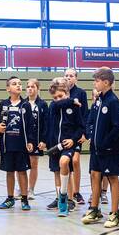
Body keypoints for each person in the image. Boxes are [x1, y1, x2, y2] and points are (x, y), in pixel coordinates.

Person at [82, 67, 119, 228]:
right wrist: (90, 134)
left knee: (112, 178)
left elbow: (116, 127)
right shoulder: (98, 100)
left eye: (97, 81)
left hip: (109, 149)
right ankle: (94, 209)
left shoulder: (113, 102)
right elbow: (90, 120)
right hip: (96, 148)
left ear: (106, 82)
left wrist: (106, 143)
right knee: (94, 175)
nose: (95, 83)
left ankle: (114, 214)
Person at [46, 77, 84, 217]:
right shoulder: (53, 106)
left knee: (64, 162)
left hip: (67, 145)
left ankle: (65, 196)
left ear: (67, 93)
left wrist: (73, 140)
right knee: (57, 171)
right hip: (54, 145)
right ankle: (61, 200)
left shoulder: (74, 107)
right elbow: (57, 106)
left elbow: (81, 127)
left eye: (61, 96)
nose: (57, 99)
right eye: (55, 97)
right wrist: (71, 100)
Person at [0, 76, 33, 211]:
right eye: (14, 84)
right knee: (9, 172)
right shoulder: (3, 104)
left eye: (19, 84)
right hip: (7, 144)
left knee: (22, 172)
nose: (18, 86)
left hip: (21, 145)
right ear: (8, 88)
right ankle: (10, 198)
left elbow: (30, 125)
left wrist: (31, 141)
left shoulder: (26, 105)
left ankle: (24, 198)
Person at [64, 68, 87, 204]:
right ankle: (67, 193)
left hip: (77, 133)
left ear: (76, 78)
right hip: (65, 133)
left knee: (75, 161)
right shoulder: (61, 92)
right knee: (65, 163)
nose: (68, 78)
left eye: (71, 76)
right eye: (66, 75)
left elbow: (84, 114)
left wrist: (84, 133)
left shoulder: (81, 93)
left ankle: (77, 192)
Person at [25, 78, 48, 200]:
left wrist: (44, 140)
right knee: (22, 164)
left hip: (37, 138)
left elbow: (46, 124)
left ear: (38, 89)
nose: (30, 89)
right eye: (28, 86)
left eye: (33, 86)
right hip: (24, 139)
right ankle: (22, 188)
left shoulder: (43, 104)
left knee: (34, 163)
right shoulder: (23, 103)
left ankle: (31, 189)